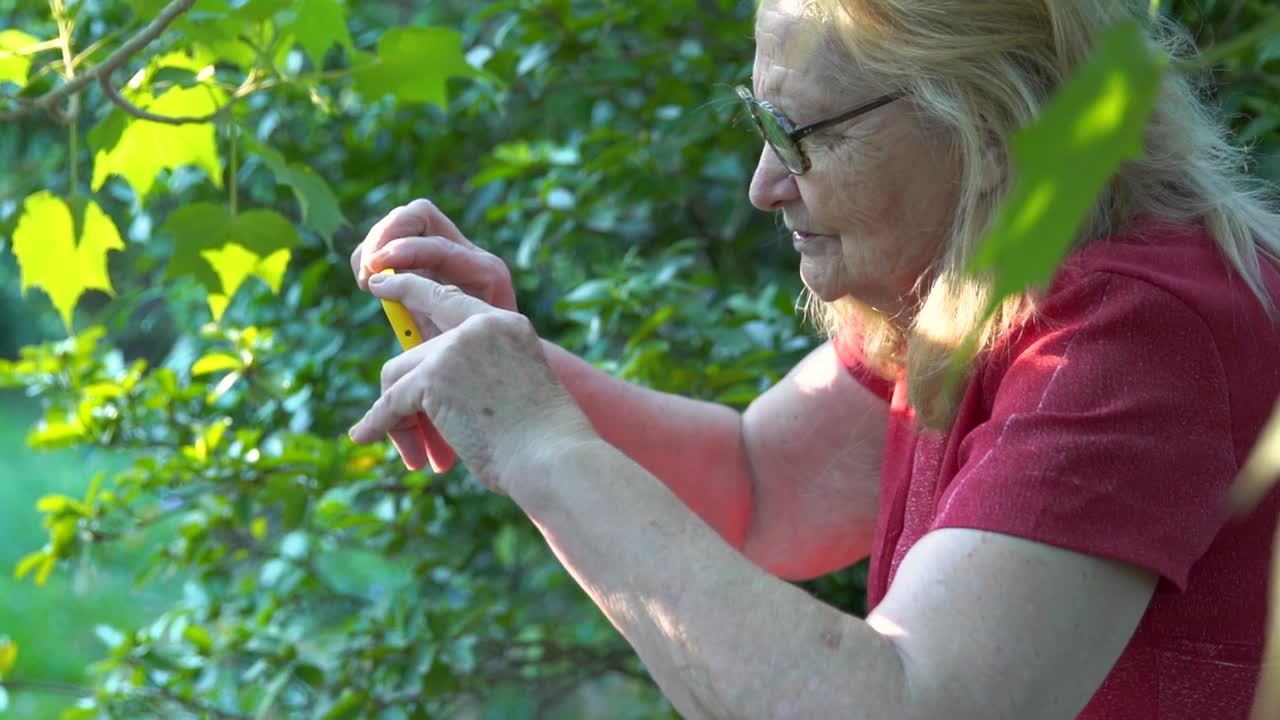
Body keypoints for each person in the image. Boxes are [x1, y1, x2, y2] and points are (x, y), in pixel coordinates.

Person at [347, 0, 1280, 716]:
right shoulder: (1004, 254)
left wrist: (543, 444)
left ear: (989, 129)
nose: (764, 185)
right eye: (761, 125)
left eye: (797, 133)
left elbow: (910, 705)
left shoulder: (1140, 331)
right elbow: (761, 490)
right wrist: (519, 372)